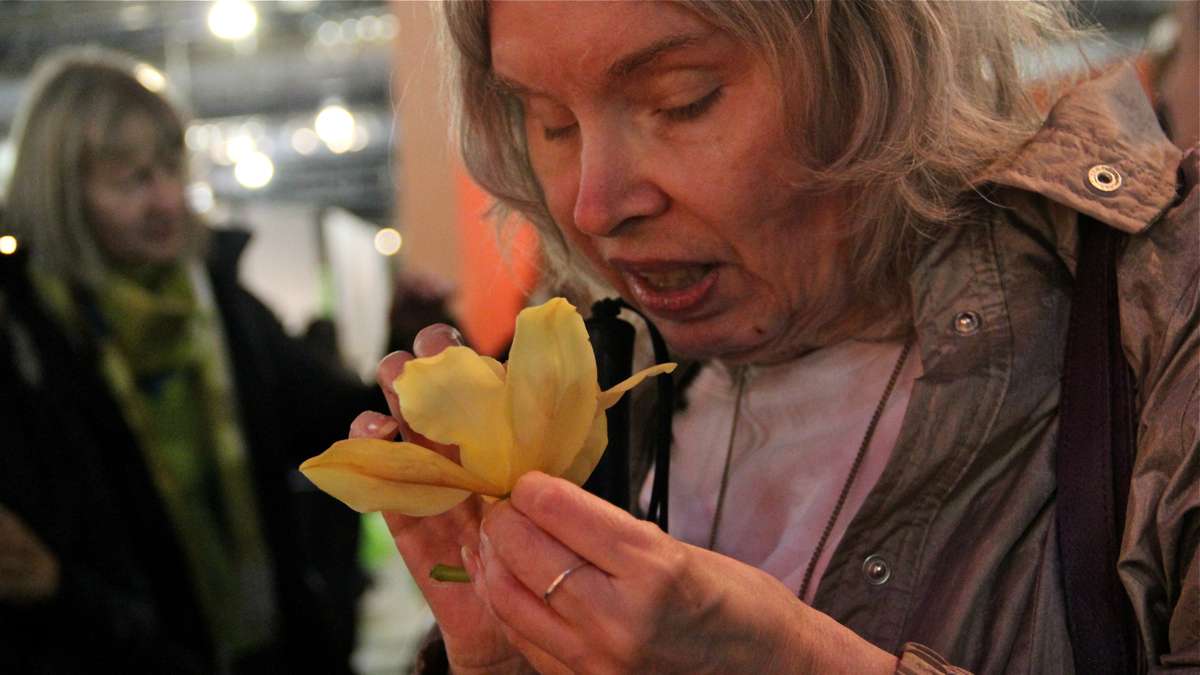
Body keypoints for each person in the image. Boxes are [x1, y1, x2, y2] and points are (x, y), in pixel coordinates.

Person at [343, 2, 1197, 673]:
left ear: (871, 59)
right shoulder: (615, 374)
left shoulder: (1159, 314)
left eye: (682, 100)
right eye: (548, 121)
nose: (593, 206)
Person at [0, 46, 379, 673]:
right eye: (132, 181)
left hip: (268, 653)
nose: (167, 200)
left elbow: (332, 418)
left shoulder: (215, 300)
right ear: (63, 194)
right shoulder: (22, 340)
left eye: (171, 168)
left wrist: (427, 366)